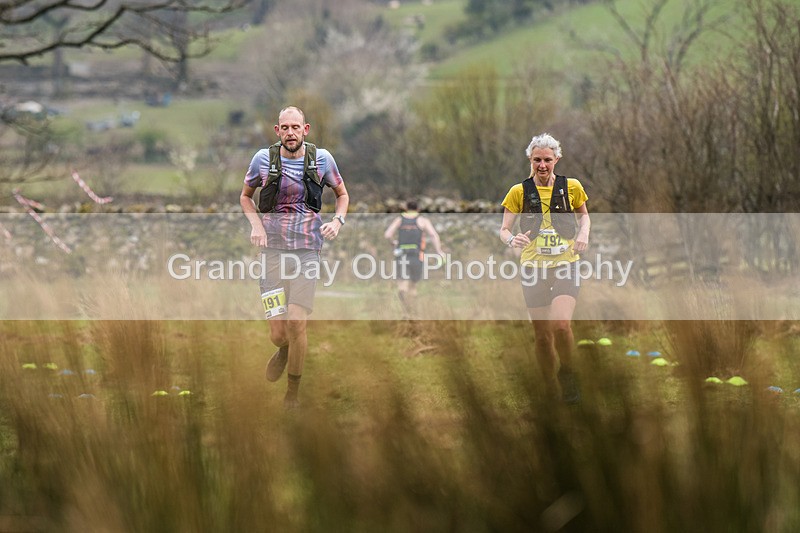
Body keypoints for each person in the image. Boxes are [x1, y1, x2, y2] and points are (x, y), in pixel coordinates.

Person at [240, 106, 349, 409]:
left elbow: (343, 195)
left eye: (295, 127)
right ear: (277, 131)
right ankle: (284, 349)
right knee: (278, 333)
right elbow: (245, 197)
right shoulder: (262, 160)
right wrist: (256, 226)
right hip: (272, 252)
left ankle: (292, 395)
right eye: (284, 128)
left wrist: (337, 221)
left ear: (306, 129)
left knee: (297, 323)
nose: (290, 133)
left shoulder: (323, 160)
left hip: (306, 251)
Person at [499, 133, 590, 403]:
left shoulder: (571, 187)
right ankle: (549, 387)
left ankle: (569, 374)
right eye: (537, 159)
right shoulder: (518, 192)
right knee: (541, 337)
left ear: (556, 160)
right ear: (530, 159)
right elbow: (504, 229)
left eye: (547, 160)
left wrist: (583, 234)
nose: (542, 165)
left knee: (561, 326)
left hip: (566, 264)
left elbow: (584, 217)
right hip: (532, 267)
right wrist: (511, 239)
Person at [384, 200, 444, 318]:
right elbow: (433, 235)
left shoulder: (400, 220)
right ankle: (412, 313)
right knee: (413, 286)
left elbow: (387, 235)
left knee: (402, 285)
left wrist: (394, 243)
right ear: (418, 209)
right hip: (417, 257)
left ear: (406, 208)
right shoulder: (423, 221)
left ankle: (405, 311)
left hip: (402, 256)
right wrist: (439, 251)